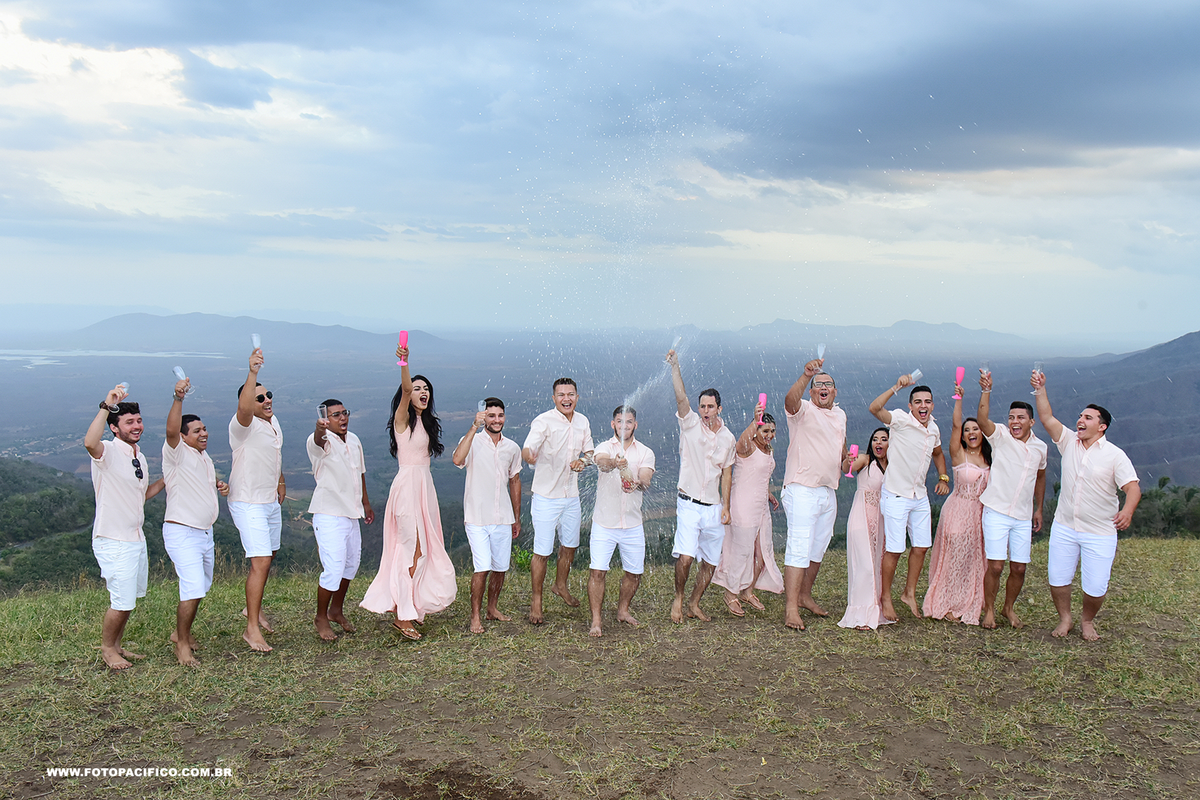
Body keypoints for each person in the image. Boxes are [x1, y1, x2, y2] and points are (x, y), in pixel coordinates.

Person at [1031, 370, 1140, 641]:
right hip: (1065, 526)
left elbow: (1132, 487)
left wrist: (1127, 511)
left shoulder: (1115, 455)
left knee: (1096, 587)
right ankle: (1065, 618)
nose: (1080, 420)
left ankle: (1087, 620)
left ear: (1102, 427)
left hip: (1100, 531)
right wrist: (1040, 389)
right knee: (1058, 579)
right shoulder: (1069, 442)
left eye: (1088, 418)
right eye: (1080, 416)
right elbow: (1046, 418)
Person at [360, 344, 457, 640]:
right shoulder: (402, 420)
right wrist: (404, 363)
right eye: (417, 388)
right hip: (406, 490)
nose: (422, 391)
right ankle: (403, 616)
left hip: (424, 490)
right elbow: (404, 390)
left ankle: (411, 605)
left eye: (426, 388)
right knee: (410, 550)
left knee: (425, 549)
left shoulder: (425, 423)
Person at [84, 386, 164, 669]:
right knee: (121, 600)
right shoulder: (107, 451)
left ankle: (117, 645)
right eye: (129, 422)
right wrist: (106, 405)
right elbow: (90, 443)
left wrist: (167, 479)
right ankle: (108, 649)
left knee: (129, 599)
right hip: (114, 538)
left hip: (135, 537)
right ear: (115, 428)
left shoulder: (138, 456)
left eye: (138, 420)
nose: (137, 426)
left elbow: (141, 495)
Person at [868, 375, 951, 620]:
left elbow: (938, 453)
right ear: (910, 405)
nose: (923, 406)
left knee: (922, 546)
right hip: (896, 494)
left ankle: (909, 593)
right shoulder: (900, 420)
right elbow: (874, 408)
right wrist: (896, 386)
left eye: (927, 402)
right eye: (918, 402)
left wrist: (943, 477)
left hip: (919, 495)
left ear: (932, 405)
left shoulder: (933, 428)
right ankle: (885, 597)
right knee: (894, 550)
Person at [162, 376, 229, 666]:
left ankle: (182, 635)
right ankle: (182, 646)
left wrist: (219, 485)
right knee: (192, 587)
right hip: (183, 531)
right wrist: (178, 398)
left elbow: (201, 483)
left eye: (204, 429)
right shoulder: (176, 452)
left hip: (203, 532)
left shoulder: (203, 456)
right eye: (197, 430)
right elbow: (170, 431)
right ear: (183, 435)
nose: (204, 433)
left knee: (200, 587)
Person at [666, 349, 736, 623]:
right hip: (688, 503)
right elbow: (680, 397)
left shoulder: (728, 438)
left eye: (710, 406)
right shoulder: (690, 424)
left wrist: (726, 507)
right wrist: (675, 366)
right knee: (685, 558)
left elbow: (727, 474)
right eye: (702, 406)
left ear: (719, 408)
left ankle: (695, 602)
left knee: (710, 561)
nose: (705, 411)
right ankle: (679, 598)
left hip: (713, 507)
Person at [780, 360, 850, 629]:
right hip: (801, 488)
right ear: (811, 392)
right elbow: (789, 401)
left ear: (835, 391)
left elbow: (842, 455)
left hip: (827, 491)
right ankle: (790, 609)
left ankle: (804, 596)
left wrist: (847, 462)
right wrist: (805, 375)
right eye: (818, 384)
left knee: (817, 548)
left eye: (828, 384)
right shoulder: (803, 410)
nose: (823, 387)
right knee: (799, 547)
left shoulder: (840, 415)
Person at [976, 370, 1048, 629]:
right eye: (1011, 417)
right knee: (995, 566)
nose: (1014, 422)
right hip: (996, 510)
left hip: (1022, 515)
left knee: (1019, 568)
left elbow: (1040, 477)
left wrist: (1038, 509)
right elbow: (982, 420)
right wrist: (986, 390)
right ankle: (989, 610)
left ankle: (1008, 608)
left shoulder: (1040, 448)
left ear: (1031, 422)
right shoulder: (1001, 436)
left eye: (1020, 418)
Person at [522, 378, 594, 624]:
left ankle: (560, 585)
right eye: (561, 395)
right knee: (542, 551)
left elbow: (590, 453)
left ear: (577, 397)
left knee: (570, 546)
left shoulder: (583, 421)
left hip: (571, 496)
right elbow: (528, 448)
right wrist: (529, 456)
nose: (566, 399)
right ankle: (536, 601)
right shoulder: (543, 421)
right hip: (546, 497)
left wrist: (582, 461)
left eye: (570, 394)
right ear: (553, 398)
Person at [228, 346, 285, 652]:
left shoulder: (273, 423)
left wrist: (281, 481)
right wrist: (252, 372)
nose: (266, 400)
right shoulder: (242, 427)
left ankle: (254, 609)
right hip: (248, 501)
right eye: (259, 398)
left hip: (269, 501)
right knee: (260, 560)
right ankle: (251, 629)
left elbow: (275, 455)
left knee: (268, 556)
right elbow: (243, 410)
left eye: (268, 395)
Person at [452, 397, 523, 634]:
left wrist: (516, 517)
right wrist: (473, 426)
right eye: (491, 416)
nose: (496, 420)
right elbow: (457, 459)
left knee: (500, 567)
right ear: (484, 417)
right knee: (482, 567)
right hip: (477, 516)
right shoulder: (471, 441)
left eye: (500, 415)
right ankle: (475, 615)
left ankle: (492, 608)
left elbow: (515, 481)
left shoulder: (512, 447)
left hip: (503, 516)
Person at [922, 383, 991, 624]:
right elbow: (954, 425)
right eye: (967, 430)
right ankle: (948, 601)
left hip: (980, 513)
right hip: (958, 509)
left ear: (982, 432)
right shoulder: (958, 453)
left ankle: (970, 599)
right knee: (954, 557)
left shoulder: (990, 457)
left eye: (976, 429)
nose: (971, 433)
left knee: (973, 559)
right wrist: (958, 399)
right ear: (962, 436)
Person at [307, 399, 374, 641]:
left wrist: (365, 503)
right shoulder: (321, 440)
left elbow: (360, 473)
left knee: (350, 565)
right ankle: (321, 617)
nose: (342, 417)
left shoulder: (354, 440)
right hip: (329, 513)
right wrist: (320, 428)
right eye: (335, 415)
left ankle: (336, 610)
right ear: (326, 419)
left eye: (344, 413)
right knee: (333, 568)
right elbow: (318, 440)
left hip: (351, 513)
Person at [588, 406, 656, 636]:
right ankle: (596, 621)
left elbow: (646, 479)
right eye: (619, 421)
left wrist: (637, 483)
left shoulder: (645, 452)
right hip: (604, 523)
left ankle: (623, 610)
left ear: (635, 424)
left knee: (634, 573)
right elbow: (602, 462)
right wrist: (616, 463)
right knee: (598, 572)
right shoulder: (605, 447)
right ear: (613, 424)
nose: (624, 426)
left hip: (633, 523)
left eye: (628, 422)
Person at [713, 403, 783, 617]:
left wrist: (768, 493)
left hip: (761, 506)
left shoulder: (768, 449)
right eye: (765, 431)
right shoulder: (747, 447)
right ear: (756, 430)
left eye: (772, 431)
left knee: (762, 552)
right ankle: (730, 593)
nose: (769, 435)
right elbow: (740, 444)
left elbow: (758, 475)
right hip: (743, 505)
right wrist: (755, 419)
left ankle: (747, 591)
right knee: (741, 551)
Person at [837, 428, 895, 631]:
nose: (878, 442)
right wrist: (848, 460)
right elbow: (847, 468)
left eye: (884, 439)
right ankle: (861, 613)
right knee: (864, 565)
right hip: (861, 516)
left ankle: (876, 610)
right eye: (875, 439)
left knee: (878, 563)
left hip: (882, 520)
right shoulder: (866, 460)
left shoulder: (894, 465)